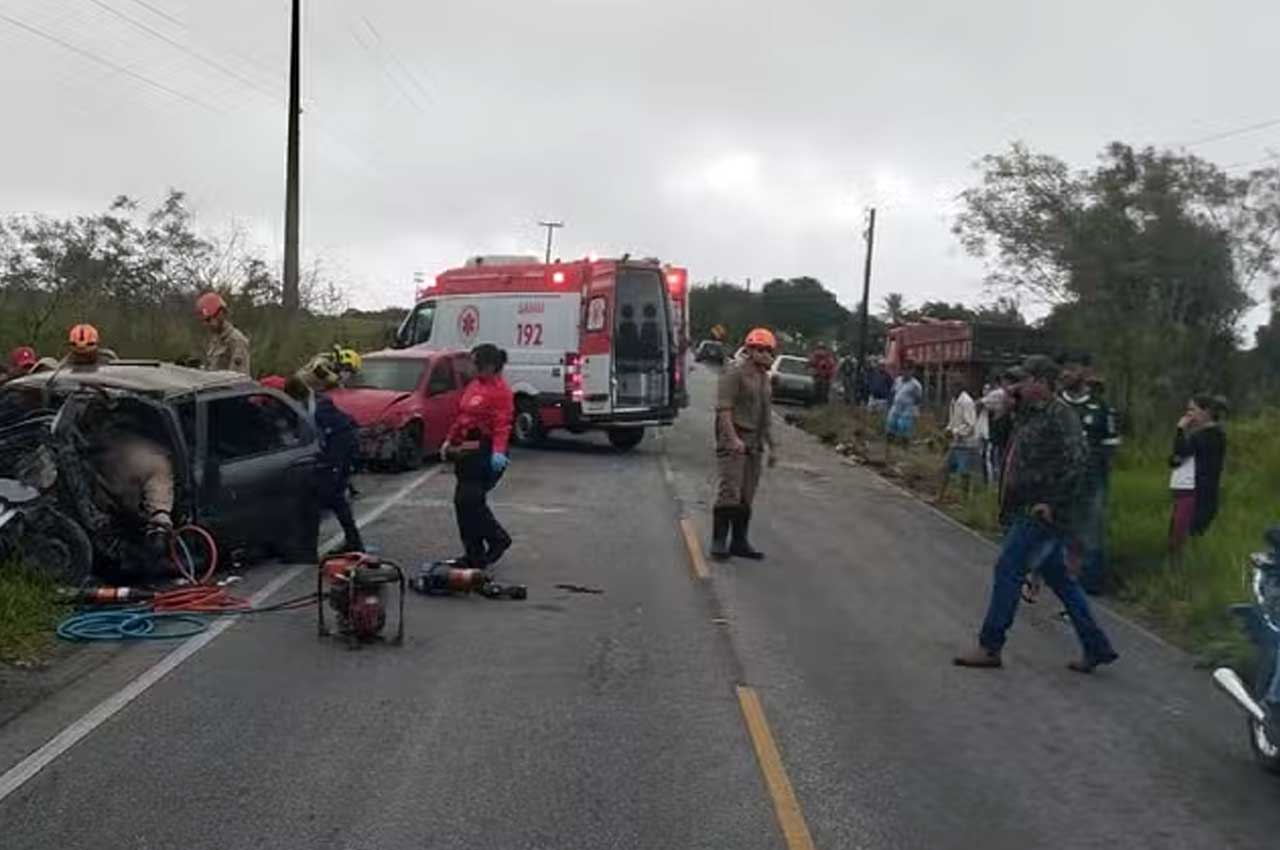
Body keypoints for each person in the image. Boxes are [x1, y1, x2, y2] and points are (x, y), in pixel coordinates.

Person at [954, 355, 1118, 673]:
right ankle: (1097, 645)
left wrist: (1052, 502)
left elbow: (1077, 464)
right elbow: (1001, 441)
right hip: (1022, 505)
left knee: (1008, 568)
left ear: (1042, 383)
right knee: (1060, 578)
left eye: (1025, 380)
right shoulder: (1027, 414)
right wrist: (1006, 409)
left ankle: (990, 645)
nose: (1018, 385)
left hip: (1041, 510)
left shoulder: (1061, 417)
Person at [442, 343, 514, 568]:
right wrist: (450, 440)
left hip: (486, 448)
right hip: (468, 445)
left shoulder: (500, 392)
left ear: (489, 366)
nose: (469, 367)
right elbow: (463, 416)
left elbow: (503, 424)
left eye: (474, 363)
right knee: (463, 503)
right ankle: (473, 552)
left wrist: (498, 453)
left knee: (469, 499)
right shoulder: (474, 385)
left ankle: (497, 539)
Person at [710, 328, 778, 561]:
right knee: (730, 489)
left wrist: (773, 447)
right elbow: (724, 409)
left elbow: (766, 415)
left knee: (747, 494)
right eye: (759, 349)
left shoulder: (764, 379)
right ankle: (718, 541)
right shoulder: (735, 372)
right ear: (749, 350)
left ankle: (739, 542)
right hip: (736, 437)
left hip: (755, 443)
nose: (764, 354)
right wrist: (732, 439)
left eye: (768, 350)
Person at [1057, 353, 1121, 594]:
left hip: (1091, 484)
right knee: (1059, 535)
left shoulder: (1102, 408)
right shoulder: (1054, 405)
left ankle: (1087, 587)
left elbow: (1110, 446)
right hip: (1058, 485)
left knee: (1090, 535)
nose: (1065, 373)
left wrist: (1092, 466)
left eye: (1071, 368)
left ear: (1085, 372)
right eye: (1063, 368)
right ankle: (1058, 582)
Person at [284, 375, 363, 553]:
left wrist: (332, 465)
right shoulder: (315, 404)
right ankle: (353, 541)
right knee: (335, 499)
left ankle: (311, 549)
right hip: (336, 454)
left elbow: (340, 436)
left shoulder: (321, 409)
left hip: (340, 454)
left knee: (324, 498)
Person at [1168, 394, 1227, 565]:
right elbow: (1175, 459)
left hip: (1197, 494)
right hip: (1191, 492)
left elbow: (1180, 452)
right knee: (1180, 535)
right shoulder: (1202, 436)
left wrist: (1180, 429)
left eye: (1192, 410)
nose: (1188, 415)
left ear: (1206, 412)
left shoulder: (1209, 436)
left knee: (1182, 538)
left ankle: (1181, 574)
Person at [938, 379, 979, 502]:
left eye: (952, 387)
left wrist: (955, 432)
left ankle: (965, 500)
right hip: (956, 443)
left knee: (964, 473)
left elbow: (970, 424)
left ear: (959, 388)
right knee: (946, 469)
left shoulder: (966, 402)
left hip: (967, 444)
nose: (949, 390)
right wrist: (948, 430)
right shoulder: (954, 401)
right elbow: (953, 421)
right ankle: (940, 496)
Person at [196, 292, 252, 375]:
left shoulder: (237, 341)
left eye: (208, 320)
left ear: (220, 314)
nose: (206, 325)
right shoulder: (216, 339)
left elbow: (237, 380)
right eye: (203, 321)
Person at [885, 364, 923, 452]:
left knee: (903, 426)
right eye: (905, 370)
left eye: (909, 370)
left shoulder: (915, 385)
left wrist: (914, 408)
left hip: (907, 408)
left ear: (912, 372)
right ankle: (889, 446)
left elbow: (918, 398)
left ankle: (904, 447)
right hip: (896, 406)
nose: (906, 372)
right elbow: (893, 392)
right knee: (891, 423)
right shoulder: (898, 380)